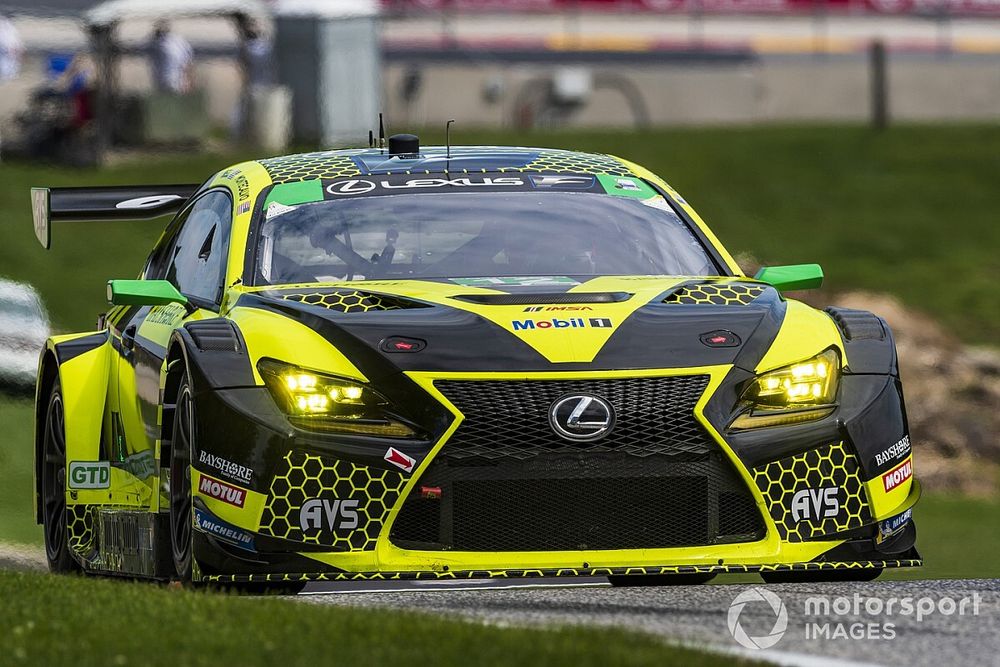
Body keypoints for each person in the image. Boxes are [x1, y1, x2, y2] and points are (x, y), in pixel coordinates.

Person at [148, 20, 193, 94]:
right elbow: (188, 63)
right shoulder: (179, 41)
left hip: (172, 82)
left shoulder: (159, 43)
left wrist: (188, 81)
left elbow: (187, 63)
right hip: (171, 82)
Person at [0, 13, 23, 82]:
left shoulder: (10, 72)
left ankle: (6, 21)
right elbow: (16, 61)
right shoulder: (11, 72)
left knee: (6, 34)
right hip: (8, 50)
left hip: (7, 50)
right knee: (8, 35)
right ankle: (7, 21)